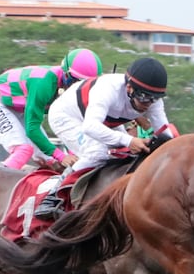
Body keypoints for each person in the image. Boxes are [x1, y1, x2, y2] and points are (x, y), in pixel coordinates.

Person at [34, 56, 176, 220]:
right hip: (68, 116)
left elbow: (165, 133)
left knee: (125, 153)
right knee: (98, 152)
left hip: (106, 120)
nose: (149, 103)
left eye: (154, 98)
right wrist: (130, 140)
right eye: (144, 97)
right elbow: (90, 126)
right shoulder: (108, 90)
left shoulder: (152, 101)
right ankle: (52, 197)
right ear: (129, 88)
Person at [0, 48, 103, 171]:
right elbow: (32, 130)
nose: (77, 87)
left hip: (20, 107)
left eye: (85, 84)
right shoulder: (44, 84)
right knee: (24, 150)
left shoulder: (70, 89)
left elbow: (68, 128)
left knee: (51, 161)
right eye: (74, 81)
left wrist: (73, 155)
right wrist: (62, 156)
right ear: (65, 72)